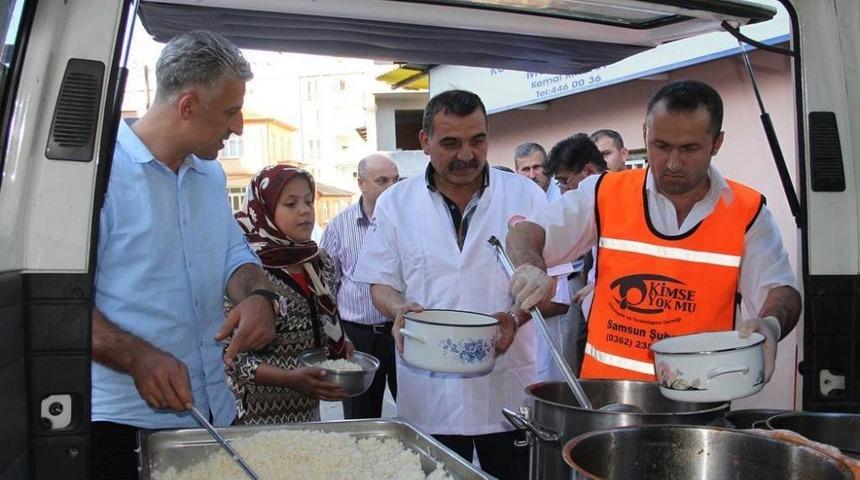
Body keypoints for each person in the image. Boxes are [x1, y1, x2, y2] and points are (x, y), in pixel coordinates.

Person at [506, 80, 801, 385]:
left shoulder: (747, 212)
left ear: (717, 142)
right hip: (609, 406)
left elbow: (780, 289)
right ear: (645, 134)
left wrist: (771, 324)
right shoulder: (605, 193)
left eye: (690, 149)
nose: (673, 163)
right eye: (661, 146)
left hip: (697, 404)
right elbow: (527, 232)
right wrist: (531, 266)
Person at [90, 31, 277, 480]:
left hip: (214, 410)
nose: (238, 127)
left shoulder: (210, 174)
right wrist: (138, 357)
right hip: (123, 424)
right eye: (231, 112)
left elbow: (235, 253)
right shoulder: (97, 176)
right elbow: (56, 303)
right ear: (188, 105)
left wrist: (257, 296)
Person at [353, 89, 545, 480]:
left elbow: (548, 279)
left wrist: (515, 316)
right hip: (430, 394)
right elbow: (380, 283)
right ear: (425, 142)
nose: (467, 155)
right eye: (450, 143)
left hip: (506, 390)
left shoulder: (524, 194)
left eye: (478, 141)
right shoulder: (396, 203)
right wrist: (397, 308)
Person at [228, 166, 356, 424]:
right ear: (263, 210)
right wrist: (289, 378)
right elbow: (231, 358)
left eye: (309, 201)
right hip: (255, 416)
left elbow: (325, 322)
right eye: (290, 203)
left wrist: (342, 344)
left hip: (308, 413)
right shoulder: (245, 270)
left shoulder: (321, 262)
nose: (305, 210)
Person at [320, 153, 400, 419]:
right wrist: (339, 336)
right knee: (360, 416)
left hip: (404, 333)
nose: (392, 187)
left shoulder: (410, 223)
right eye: (382, 180)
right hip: (359, 337)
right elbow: (325, 288)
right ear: (361, 184)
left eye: (395, 180)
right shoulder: (339, 226)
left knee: (418, 414)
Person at [538, 133, 608, 377]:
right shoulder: (592, 209)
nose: (564, 189)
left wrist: (601, 286)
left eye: (565, 181)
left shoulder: (618, 201)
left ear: (589, 173)